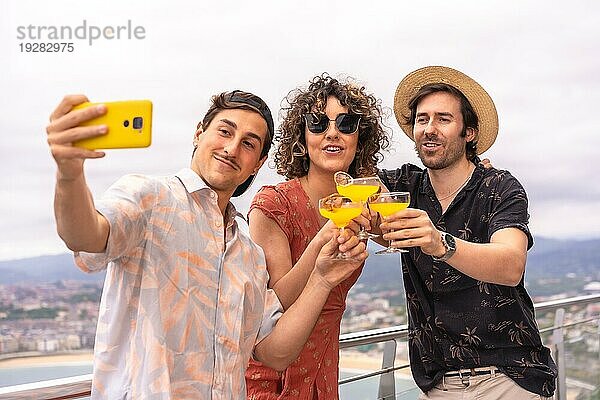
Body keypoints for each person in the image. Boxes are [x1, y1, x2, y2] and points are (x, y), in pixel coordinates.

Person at [45, 90, 368, 399]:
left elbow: (274, 352)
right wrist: (69, 174)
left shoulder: (248, 254)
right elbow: (85, 236)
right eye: (224, 132)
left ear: (258, 163)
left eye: (248, 144)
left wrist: (322, 279)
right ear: (199, 133)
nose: (231, 148)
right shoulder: (149, 199)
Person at [374, 66, 557, 399]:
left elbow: (511, 265)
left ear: (469, 132)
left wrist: (439, 242)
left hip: (508, 379)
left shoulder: (500, 187)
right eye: (421, 119)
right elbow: (347, 178)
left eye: (443, 119)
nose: (429, 129)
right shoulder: (403, 186)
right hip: (436, 385)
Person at [245, 74, 390, 399]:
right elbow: (275, 301)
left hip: (325, 369)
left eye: (346, 123)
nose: (332, 133)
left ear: (360, 137)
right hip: (274, 373)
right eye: (318, 123)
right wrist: (322, 242)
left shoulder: (364, 197)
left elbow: (401, 239)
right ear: (302, 136)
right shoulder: (274, 205)